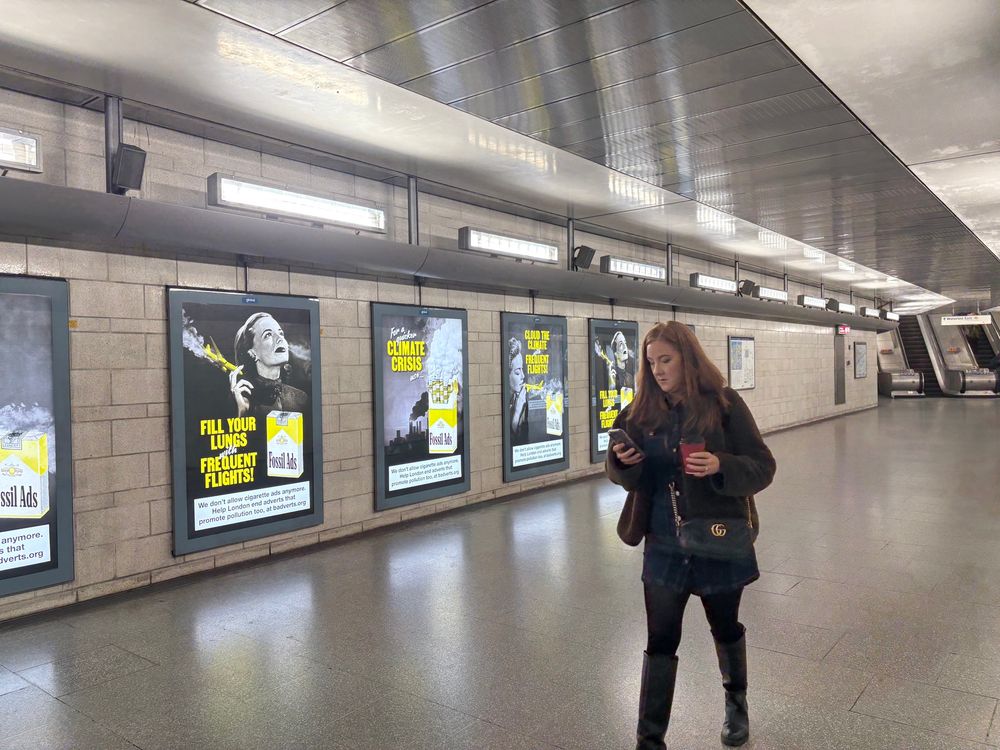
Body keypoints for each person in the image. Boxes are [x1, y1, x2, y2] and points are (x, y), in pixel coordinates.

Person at [606, 321, 776, 749]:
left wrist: (721, 465)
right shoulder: (639, 412)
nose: (658, 370)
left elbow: (762, 465)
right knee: (660, 638)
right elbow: (624, 478)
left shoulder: (724, 405)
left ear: (688, 358)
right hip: (663, 542)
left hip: (718, 538)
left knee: (725, 626)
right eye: (651, 362)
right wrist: (623, 462)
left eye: (666, 360)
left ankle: (736, 705)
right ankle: (650, 738)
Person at [230, 312, 307, 420]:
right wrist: (243, 412)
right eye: (268, 335)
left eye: (281, 333)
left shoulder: (301, 398)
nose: (280, 339)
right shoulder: (242, 398)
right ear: (252, 352)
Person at [508, 336, 529, 444]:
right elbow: (513, 441)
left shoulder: (520, 398)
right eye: (517, 372)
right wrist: (517, 413)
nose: (523, 376)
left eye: (522, 370)